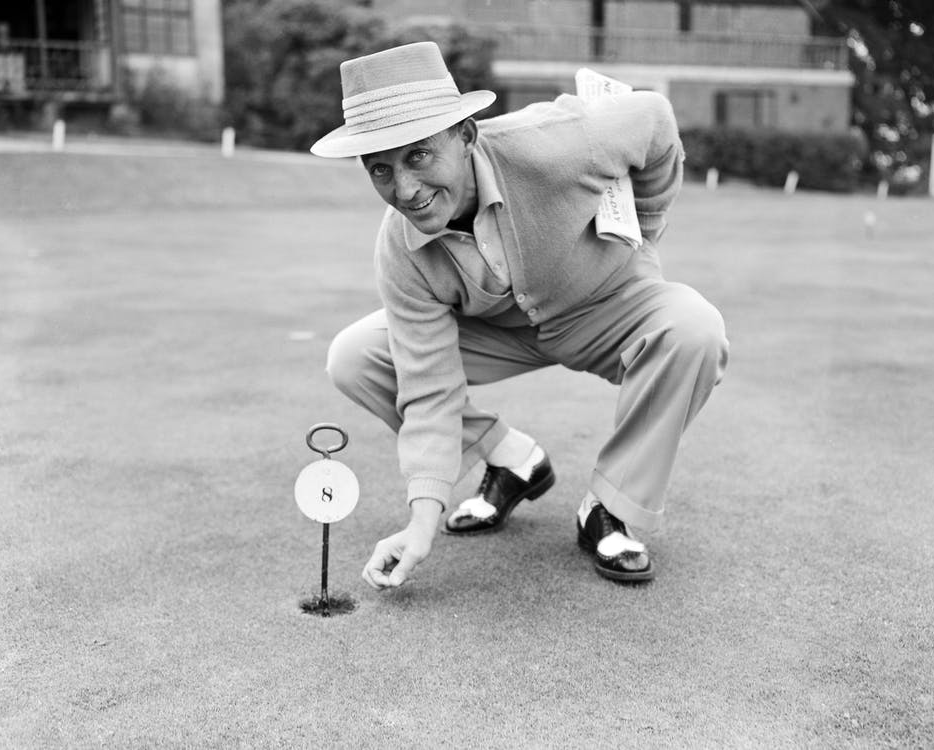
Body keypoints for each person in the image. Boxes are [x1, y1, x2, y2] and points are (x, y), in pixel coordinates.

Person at [312, 41, 729, 588]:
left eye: (417, 156)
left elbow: (655, 118)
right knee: (355, 356)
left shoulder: (555, 142)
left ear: (465, 136)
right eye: (381, 170)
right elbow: (429, 391)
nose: (405, 189)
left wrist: (643, 229)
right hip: (502, 332)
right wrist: (422, 520)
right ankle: (512, 460)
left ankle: (611, 507)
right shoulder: (399, 249)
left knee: (695, 329)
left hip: (608, 306)